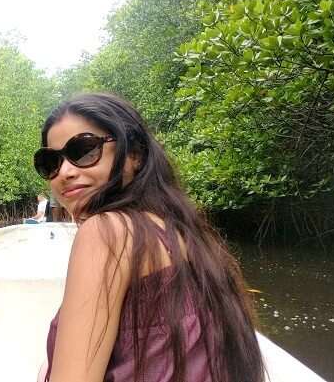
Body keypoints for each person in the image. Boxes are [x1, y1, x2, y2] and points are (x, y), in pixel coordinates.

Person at [33, 93, 264, 382]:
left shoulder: (105, 231)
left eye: (84, 150)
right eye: (50, 162)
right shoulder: (186, 233)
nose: (64, 172)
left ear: (135, 155)